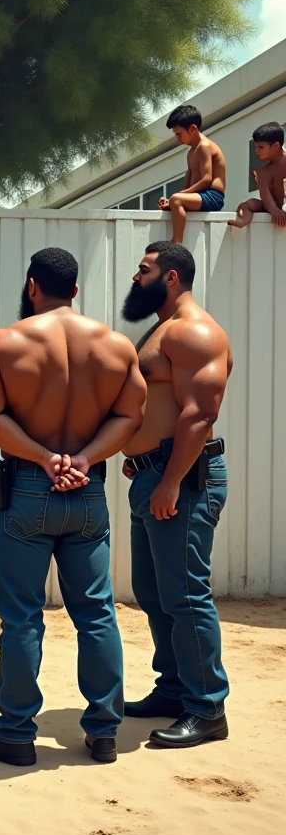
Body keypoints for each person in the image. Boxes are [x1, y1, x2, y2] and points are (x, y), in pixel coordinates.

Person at [0, 248, 146, 767]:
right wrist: (81, 458)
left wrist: (44, 459)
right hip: (86, 491)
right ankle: (104, 730)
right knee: (97, 614)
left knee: (20, 620)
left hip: (28, 490)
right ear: (76, 290)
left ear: (31, 286)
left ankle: (15, 734)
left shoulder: (4, 343)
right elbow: (131, 416)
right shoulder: (115, 345)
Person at [121, 241, 232, 748]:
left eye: (143, 270)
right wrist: (140, 457)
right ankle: (174, 688)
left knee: (186, 596)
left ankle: (207, 708)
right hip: (154, 475)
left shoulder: (195, 331)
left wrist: (168, 480)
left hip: (181, 480)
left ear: (169, 277)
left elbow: (199, 414)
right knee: (153, 593)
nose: (135, 278)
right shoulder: (163, 329)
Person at [159, 105, 226, 244]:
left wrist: (178, 197)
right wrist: (174, 200)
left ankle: (177, 241)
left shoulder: (204, 146)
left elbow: (207, 179)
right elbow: (188, 179)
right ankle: (175, 205)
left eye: (179, 134)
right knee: (175, 199)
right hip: (200, 195)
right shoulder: (191, 152)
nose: (177, 138)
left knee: (176, 199)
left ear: (192, 129)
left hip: (213, 195)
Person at [228, 122, 286, 229]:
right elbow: (266, 199)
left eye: (261, 147)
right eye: (256, 147)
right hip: (271, 209)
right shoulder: (262, 172)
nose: (256, 151)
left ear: (276, 146)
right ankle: (243, 220)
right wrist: (274, 210)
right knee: (246, 205)